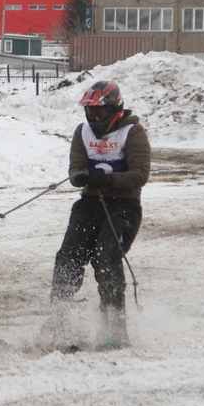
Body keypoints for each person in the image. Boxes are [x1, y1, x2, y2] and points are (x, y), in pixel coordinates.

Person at [48, 81, 150, 349]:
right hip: (90, 203)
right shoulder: (82, 133)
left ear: (114, 109)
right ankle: (61, 322)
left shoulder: (133, 132)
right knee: (68, 257)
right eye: (89, 111)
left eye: (98, 112)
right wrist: (81, 176)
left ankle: (115, 330)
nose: (93, 117)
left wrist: (109, 179)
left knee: (106, 257)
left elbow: (140, 175)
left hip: (124, 206)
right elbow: (75, 170)